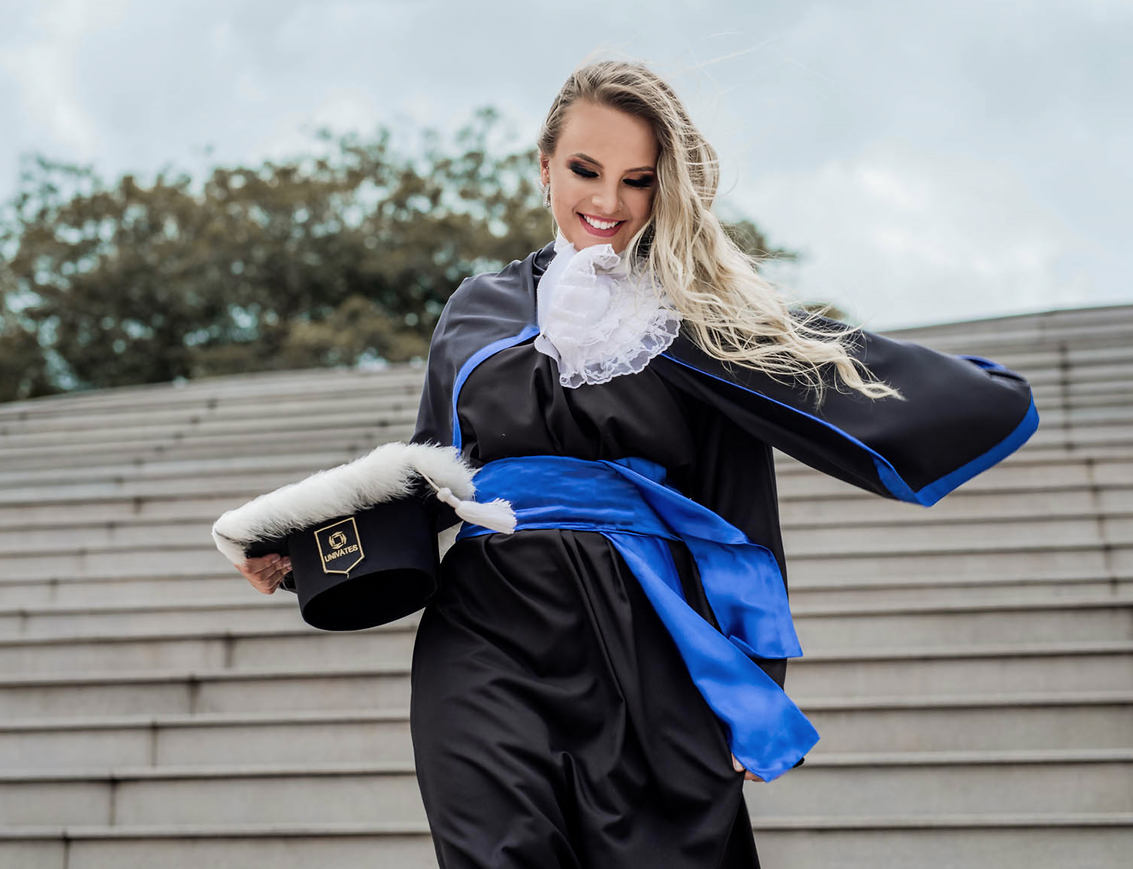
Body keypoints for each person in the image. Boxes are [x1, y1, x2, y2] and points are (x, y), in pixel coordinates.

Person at [237, 58, 1038, 868]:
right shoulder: (474, 310)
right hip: (484, 632)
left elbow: (739, 513)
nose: (608, 201)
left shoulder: (700, 322)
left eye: (637, 180)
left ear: (665, 188)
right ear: (545, 167)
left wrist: (754, 687)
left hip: (641, 636)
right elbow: (432, 478)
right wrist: (304, 551)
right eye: (585, 170)